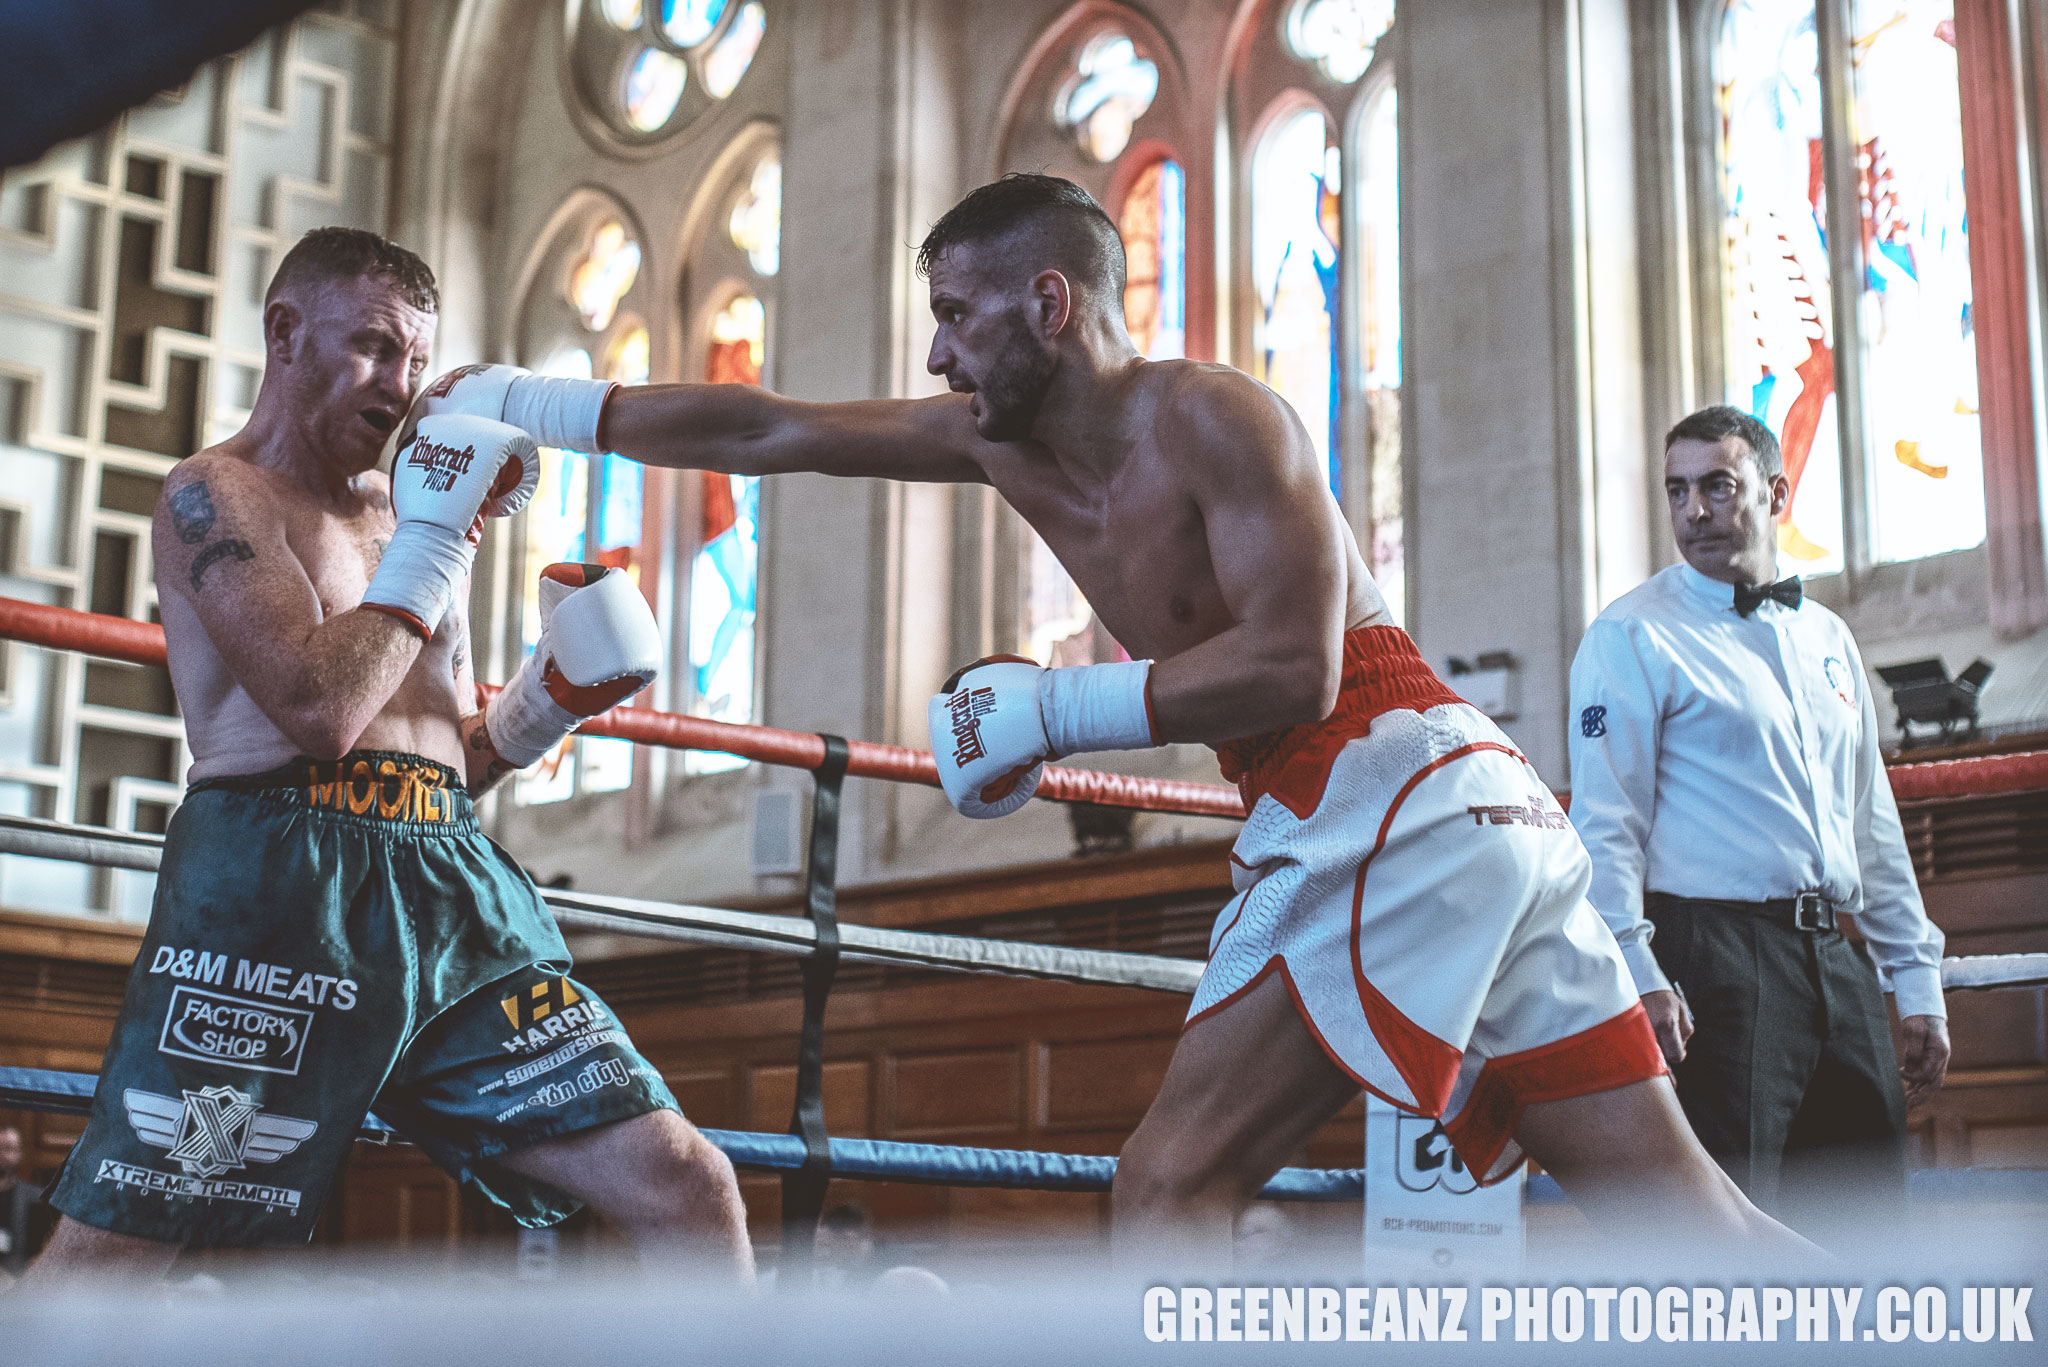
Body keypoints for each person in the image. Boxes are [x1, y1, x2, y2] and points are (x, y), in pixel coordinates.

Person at [434, 173, 1805, 1266]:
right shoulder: (991, 437)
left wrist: (1052, 706)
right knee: (1698, 1234)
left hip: (1387, 787)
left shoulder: (1221, 417)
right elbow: (765, 430)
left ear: (1049, 300)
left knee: (1165, 1188)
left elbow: (1298, 670)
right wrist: (535, 405)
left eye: (959, 314)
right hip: (1464, 813)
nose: (935, 349)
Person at [27, 228, 750, 1282]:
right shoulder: (215, 497)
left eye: (415, 359)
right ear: (284, 333)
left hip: (450, 889)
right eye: (372, 346)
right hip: (274, 893)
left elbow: (434, 757)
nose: (401, 385)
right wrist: (444, 535)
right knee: (119, 1251)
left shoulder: (400, 514)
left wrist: (546, 705)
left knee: (688, 1183)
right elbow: (320, 710)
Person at [1567, 405, 1949, 1224]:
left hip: (1835, 959)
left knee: (1869, 1222)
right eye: (1677, 491)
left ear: (1776, 492)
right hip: (1711, 958)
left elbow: (1871, 822)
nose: (1694, 511)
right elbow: (1606, 828)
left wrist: (1915, 980)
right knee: (1728, 1230)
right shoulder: (1630, 636)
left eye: (1717, 485)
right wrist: (1639, 973)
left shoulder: (1829, 637)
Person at [0, 1125, 47, 1277]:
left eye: (8, 1149)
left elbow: (42, 1252)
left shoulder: (37, 1199)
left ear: (20, 1154)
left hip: (18, 1283)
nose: (1, 1155)